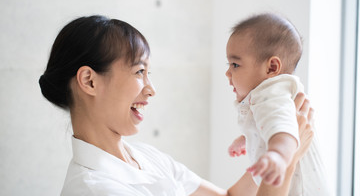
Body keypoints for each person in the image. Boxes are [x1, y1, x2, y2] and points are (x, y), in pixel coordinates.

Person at [39, 15, 314, 196]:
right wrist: (287, 161)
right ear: (89, 81)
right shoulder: (95, 189)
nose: (151, 89)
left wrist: (265, 147)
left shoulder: (146, 158)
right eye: (138, 72)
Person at [226, 13, 330, 195]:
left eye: (235, 65)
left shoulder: (270, 94)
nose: (228, 73)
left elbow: (283, 131)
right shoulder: (270, 98)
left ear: (272, 67)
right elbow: (270, 124)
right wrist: (246, 139)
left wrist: (278, 156)